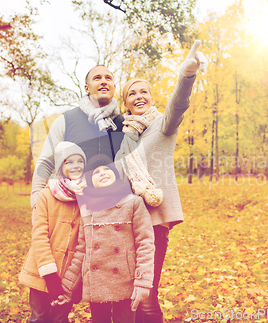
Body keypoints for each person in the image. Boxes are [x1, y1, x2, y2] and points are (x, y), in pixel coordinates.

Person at [117, 40, 207, 323]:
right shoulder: (123, 135)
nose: (139, 96)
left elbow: (178, 104)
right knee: (124, 294)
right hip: (125, 220)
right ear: (126, 102)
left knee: (147, 295)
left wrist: (186, 74)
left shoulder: (164, 125)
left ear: (152, 98)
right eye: (132, 93)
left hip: (154, 221)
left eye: (144, 91)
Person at [57, 154, 155, 323]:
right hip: (96, 283)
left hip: (126, 281)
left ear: (116, 174)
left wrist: (143, 282)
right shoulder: (87, 207)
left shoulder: (133, 202)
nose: (102, 173)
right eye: (96, 172)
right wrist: (67, 285)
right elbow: (82, 250)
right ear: (90, 180)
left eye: (107, 169)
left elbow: (145, 243)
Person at [30, 65, 125, 210]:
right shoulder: (67, 120)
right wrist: (36, 199)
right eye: (97, 78)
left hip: (115, 208)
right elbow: (46, 161)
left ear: (114, 86)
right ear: (87, 88)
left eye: (108, 78)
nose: (104, 81)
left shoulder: (124, 125)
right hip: (73, 207)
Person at [19, 142, 87, 323]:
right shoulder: (45, 196)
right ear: (60, 167)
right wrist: (50, 275)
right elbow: (39, 236)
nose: (75, 166)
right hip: (42, 270)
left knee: (60, 319)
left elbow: (85, 242)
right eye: (69, 162)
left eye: (79, 161)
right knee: (39, 317)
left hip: (69, 275)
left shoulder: (87, 198)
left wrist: (75, 279)